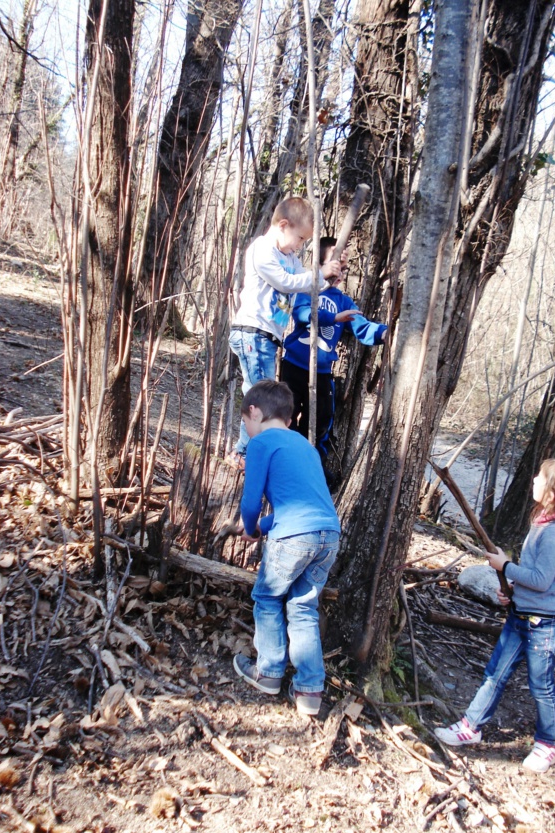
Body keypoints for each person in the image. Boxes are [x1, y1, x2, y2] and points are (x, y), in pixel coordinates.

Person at [434, 459, 555, 774]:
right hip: (521, 615)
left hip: (543, 625)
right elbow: (533, 578)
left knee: (541, 684)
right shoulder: (543, 522)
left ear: (552, 493)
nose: (533, 479)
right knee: (495, 673)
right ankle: (472, 725)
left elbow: (543, 580)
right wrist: (513, 591)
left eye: (540, 477)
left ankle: (547, 745)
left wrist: (505, 566)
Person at [231, 379, 341, 717]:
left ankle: (268, 672)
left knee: (266, 598)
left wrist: (250, 528)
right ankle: (309, 690)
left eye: (246, 423)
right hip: (328, 534)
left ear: (254, 412)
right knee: (303, 607)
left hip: (293, 536)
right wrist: (264, 528)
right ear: (289, 419)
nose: (248, 430)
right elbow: (298, 503)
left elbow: (251, 503)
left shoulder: (261, 442)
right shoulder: (305, 446)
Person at [227, 199, 342, 469]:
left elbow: (308, 283)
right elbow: (287, 282)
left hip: (267, 337)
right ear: (282, 225)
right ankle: (243, 452)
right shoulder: (262, 249)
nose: (300, 246)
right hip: (252, 332)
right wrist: (319, 275)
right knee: (259, 396)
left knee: (261, 394)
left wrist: (329, 276)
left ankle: (248, 450)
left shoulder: (290, 257)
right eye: (300, 238)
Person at [281, 236, 387, 463]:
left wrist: (385, 333)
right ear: (320, 265)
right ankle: (283, 457)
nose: (341, 272)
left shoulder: (344, 301)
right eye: (336, 264)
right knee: (284, 415)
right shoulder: (305, 287)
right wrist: (332, 318)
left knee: (321, 418)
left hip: (321, 373)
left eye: (345, 268)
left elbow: (363, 327)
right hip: (293, 366)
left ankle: (312, 461)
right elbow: (301, 313)